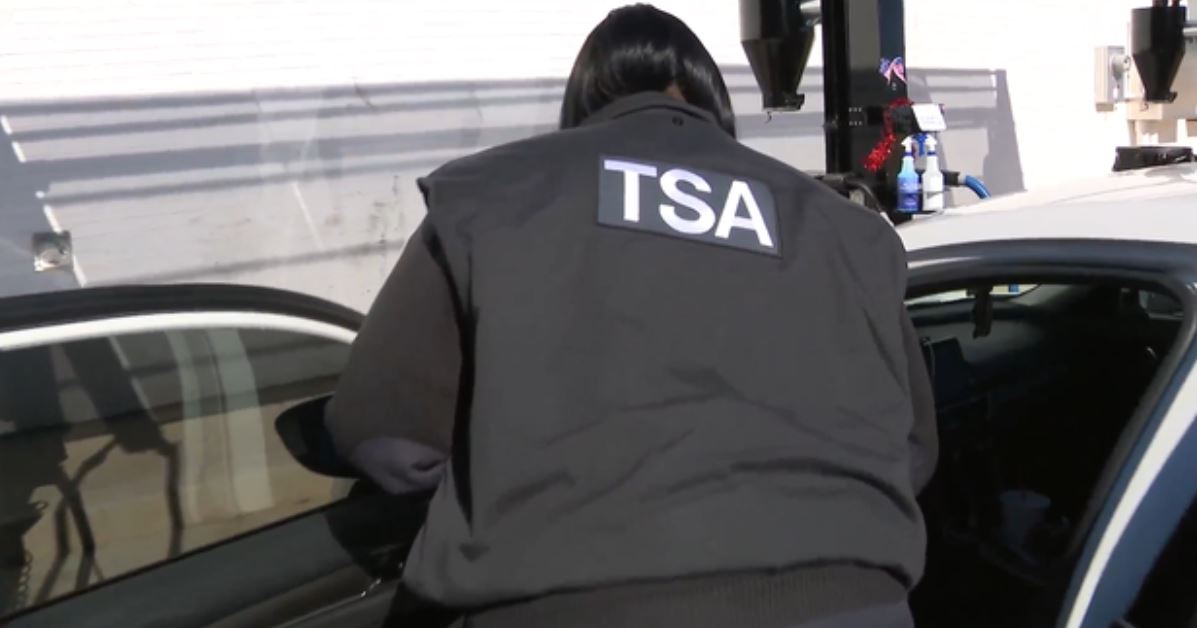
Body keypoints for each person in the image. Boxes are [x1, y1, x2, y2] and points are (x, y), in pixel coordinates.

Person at [324, 4, 937, 627]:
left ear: (582, 98)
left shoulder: (494, 196)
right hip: (852, 607)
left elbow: (381, 433)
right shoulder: (844, 228)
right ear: (712, 98)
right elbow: (911, 447)